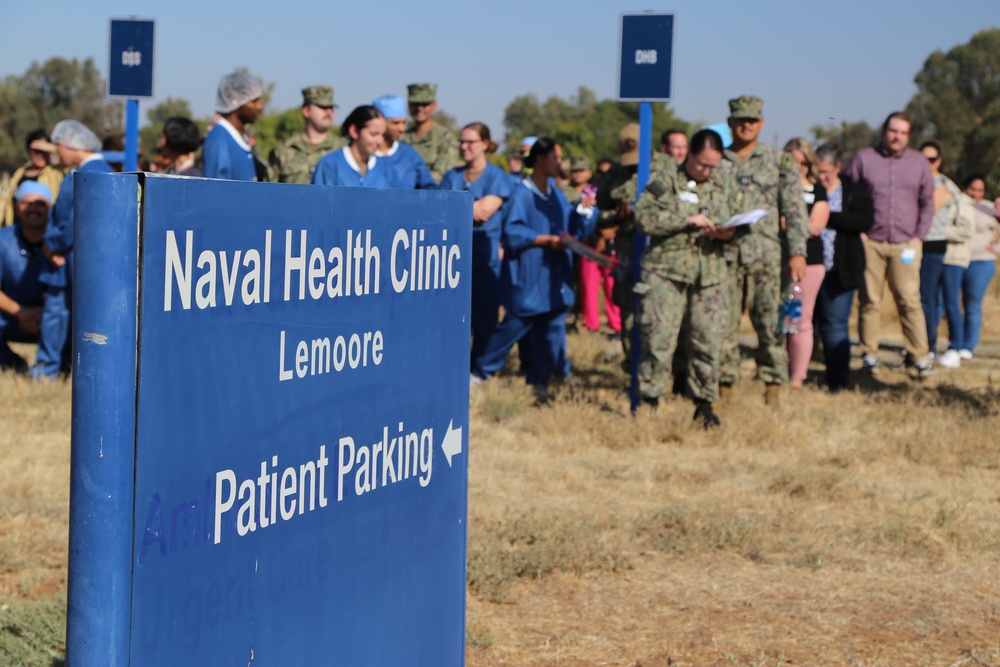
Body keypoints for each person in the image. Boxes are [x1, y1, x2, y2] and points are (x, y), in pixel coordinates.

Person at [472, 138, 596, 402]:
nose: (560, 163)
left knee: (549, 333)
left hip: (552, 279)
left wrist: (584, 212)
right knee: (512, 328)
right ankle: (481, 373)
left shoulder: (557, 196)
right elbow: (512, 233)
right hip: (527, 278)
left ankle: (540, 382)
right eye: (556, 157)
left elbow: (572, 228)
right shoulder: (522, 194)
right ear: (540, 159)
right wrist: (546, 240)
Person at [635, 129, 739, 427]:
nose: (706, 171)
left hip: (710, 274)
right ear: (688, 155)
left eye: (712, 166)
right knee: (658, 337)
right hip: (666, 271)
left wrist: (726, 232)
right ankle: (650, 400)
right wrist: (684, 221)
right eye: (701, 164)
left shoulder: (724, 184)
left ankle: (704, 404)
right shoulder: (663, 180)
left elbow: (739, 224)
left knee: (707, 340)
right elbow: (644, 218)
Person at [720, 95, 809, 406]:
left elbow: (795, 209)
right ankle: (724, 386)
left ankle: (772, 385)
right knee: (724, 326)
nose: (746, 125)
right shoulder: (717, 159)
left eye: (752, 120)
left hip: (766, 257)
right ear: (730, 122)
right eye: (740, 120)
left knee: (770, 326)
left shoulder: (779, 161)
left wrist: (798, 252)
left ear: (761, 123)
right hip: (725, 256)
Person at [846, 111, 935, 378]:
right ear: (884, 131)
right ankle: (869, 355)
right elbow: (847, 191)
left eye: (903, 132)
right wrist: (857, 228)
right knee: (869, 301)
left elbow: (927, 202)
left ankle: (919, 356)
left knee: (909, 301)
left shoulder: (919, 163)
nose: (896, 136)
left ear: (909, 135)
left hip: (906, 244)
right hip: (870, 241)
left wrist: (919, 236)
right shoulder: (864, 158)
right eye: (893, 131)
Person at [33, 120, 115, 380]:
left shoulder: (89, 173)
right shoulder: (91, 170)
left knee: (56, 316)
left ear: (73, 145)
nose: (57, 153)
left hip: (68, 260)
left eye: (59, 147)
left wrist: (50, 244)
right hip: (73, 259)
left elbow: (77, 221)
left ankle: (47, 371)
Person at [439, 122, 513, 374]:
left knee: (485, 318)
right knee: (453, 319)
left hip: (484, 258)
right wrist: (467, 207)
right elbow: (440, 211)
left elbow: (484, 213)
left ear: (484, 144)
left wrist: (456, 207)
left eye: (470, 141)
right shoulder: (452, 176)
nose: (464, 146)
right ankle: (455, 368)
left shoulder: (497, 177)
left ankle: (480, 369)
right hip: (453, 258)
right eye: (462, 141)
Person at [813, 143, 875, 391]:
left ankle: (837, 381)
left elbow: (864, 220)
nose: (822, 177)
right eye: (817, 171)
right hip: (806, 268)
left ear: (838, 167)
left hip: (840, 270)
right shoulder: (807, 188)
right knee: (796, 322)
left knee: (835, 325)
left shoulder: (853, 191)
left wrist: (827, 216)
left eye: (826, 171)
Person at [917, 141, 973, 365]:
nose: (926, 163)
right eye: (922, 158)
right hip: (923, 250)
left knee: (950, 301)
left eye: (931, 159)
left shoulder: (949, 189)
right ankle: (926, 345)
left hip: (949, 254)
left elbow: (965, 227)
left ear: (939, 161)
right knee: (926, 301)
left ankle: (955, 346)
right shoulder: (914, 183)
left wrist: (936, 232)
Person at [783, 138, 830, 389]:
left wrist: (789, 224)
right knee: (782, 318)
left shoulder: (817, 190)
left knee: (800, 319)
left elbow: (816, 226)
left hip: (808, 263)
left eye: (803, 162)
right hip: (778, 261)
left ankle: (797, 376)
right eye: (792, 161)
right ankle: (775, 369)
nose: (798, 167)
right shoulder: (775, 188)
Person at [940, 175, 1000, 363]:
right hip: (957, 259)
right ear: (965, 187)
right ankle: (950, 343)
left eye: (980, 190)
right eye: (972, 188)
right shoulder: (956, 204)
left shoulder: (990, 208)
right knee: (948, 302)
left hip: (981, 261)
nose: (976, 193)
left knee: (972, 304)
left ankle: (968, 346)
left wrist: (997, 248)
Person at [0, 182, 52, 373]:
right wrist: (21, 312)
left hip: (53, 317)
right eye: (26, 203)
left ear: (50, 208)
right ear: (16, 206)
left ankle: (55, 369)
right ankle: (12, 364)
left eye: (40, 203)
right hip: (11, 316)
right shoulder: (3, 240)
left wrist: (45, 313)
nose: (33, 209)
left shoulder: (62, 243)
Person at [573, 156, 620, 333]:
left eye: (608, 172)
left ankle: (616, 326)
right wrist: (599, 235)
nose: (604, 176)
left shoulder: (618, 192)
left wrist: (606, 235)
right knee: (589, 289)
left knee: (612, 289)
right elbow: (583, 220)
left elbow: (622, 216)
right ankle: (590, 325)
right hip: (590, 247)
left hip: (611, 247)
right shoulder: (587, 193)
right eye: (601, 172)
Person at [268, 86, 344, 184]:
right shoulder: (283, 150)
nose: (328, 112)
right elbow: (269, 193)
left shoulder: (343, 149)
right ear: (306, 111)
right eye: (322, 107)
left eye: (331, 108)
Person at [202, 71, 263, 181]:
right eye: (253, 101)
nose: (259, 106)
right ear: (233, 100)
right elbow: (214, 191)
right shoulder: (219, 140)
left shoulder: (241, 137)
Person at [311, 105, 388, 188]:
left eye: (383, 135)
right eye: (374, 134)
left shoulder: (384, 166)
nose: (380, 141)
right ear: (354, 131)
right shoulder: (329, 165)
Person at [372, 95, 435, 190]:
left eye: (404, 122)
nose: (402, 128)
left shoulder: (410, 156)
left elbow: (430, 190)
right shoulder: (362, 155)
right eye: (395, 123)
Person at [400, 83, 459, 184]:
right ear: (409, 105)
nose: (420, 109)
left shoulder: (445, 138)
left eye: (425, 104)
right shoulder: (401, 137)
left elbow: (441, 175)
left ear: (434, 105)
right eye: (416, 104)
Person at [3, 130, 63, 227]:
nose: (40, 155)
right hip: (16, 231)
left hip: (44, 230)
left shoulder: (57, 172)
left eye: (44, 151)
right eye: (36, 151)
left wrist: (53, 148)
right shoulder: (20, 172)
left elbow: (74, 160)